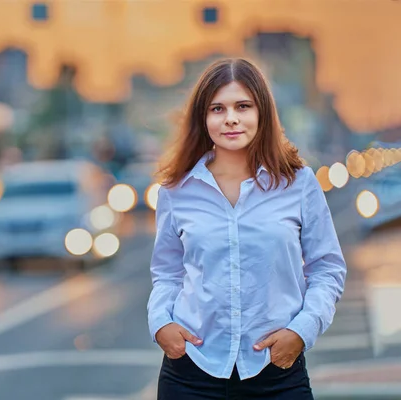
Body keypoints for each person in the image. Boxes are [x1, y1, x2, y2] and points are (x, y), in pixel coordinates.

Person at [147, 58, 346, 399]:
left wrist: (301, 331)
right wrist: (161, 324)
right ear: (203, 118)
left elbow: (327, 269)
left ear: (262, 113)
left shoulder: (298, 184)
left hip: (277, 371)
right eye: (217, 108)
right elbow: (167, 273)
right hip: (191, 373)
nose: (231, 118)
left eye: (243, 106)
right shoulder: (176, 190)